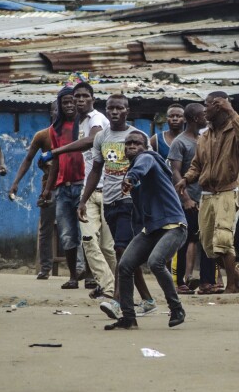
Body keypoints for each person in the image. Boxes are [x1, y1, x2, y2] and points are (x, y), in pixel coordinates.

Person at [80, 94, 156, 318]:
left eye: (119, 108)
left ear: (127, 111)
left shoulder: (138, 136)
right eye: (111, 108)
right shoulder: (101, 137)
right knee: (126, 253)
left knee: (122, 249)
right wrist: (83, 200)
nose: (114, 112)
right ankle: (148, 300)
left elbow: (150, 166)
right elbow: (95, 171)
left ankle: (117, 300)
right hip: (109, 200)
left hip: (131, 201)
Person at [104, 130, 186, 330]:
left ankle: (176, 309)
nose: (132, 146)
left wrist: (131, 178)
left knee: (156, 262)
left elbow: (142, 165)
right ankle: (128, 317)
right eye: (129, 143)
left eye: (137, 143)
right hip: (151, 229)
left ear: (145, 147)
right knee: (124, 265)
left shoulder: (147, 158)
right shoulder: (135, 168)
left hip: (173, 225)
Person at [176, 92, 239, 294]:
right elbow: (197, 164)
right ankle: (235, 275)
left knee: (223, 239)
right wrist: (186, 179)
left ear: (218, 106)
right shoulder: (205, 135)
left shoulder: (234, 129)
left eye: (207, 105)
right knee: (208, 242)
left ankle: (231, 284)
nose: (204, 109)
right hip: (206, 194)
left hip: (227, 192)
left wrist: (231, 110)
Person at [42, 82, 109, 291]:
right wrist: (48, 189)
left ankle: (101, 280)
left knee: (96, 240)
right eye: (75, 97)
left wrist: (57, 151)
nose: (78, 101)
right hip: (76, 187)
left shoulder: (96, 120)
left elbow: (92, 140)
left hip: (100, 187)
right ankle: (78, 277)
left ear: (93, 99)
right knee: (69, 235)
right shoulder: (70, 125)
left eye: (83, 96)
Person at [40, 89, 86, 283]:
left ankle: (89, 275)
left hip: (83, 184)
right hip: (62, 187)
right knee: (67, 233)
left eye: (72, 101)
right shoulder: (55, 130)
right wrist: (47, 190)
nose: (69, 105)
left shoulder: (85, 125)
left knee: (86, 232)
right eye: (65, 102)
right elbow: (56, 161)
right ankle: (73, 277)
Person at [10, 102, 60, 279]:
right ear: (51, 113)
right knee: (46, 229)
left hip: (71, 187)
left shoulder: (75, 134)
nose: (59, 112)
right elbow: (28, 158)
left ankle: (78, 269)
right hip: (49, 188)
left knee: (74, 229)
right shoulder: (43, 135)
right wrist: (16, 182)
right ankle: (45, 268)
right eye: (56, 109)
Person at [167, 103, 211, 293]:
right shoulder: (180, 142)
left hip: (206, 199)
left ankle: (206, 282)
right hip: (189, 200)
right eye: (204, 115)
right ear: (195, 119)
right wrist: (185, 199)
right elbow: (175, 172)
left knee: (207, 240)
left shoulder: (203, 139)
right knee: (184, 241)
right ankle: (180, 282)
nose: (207, 118)